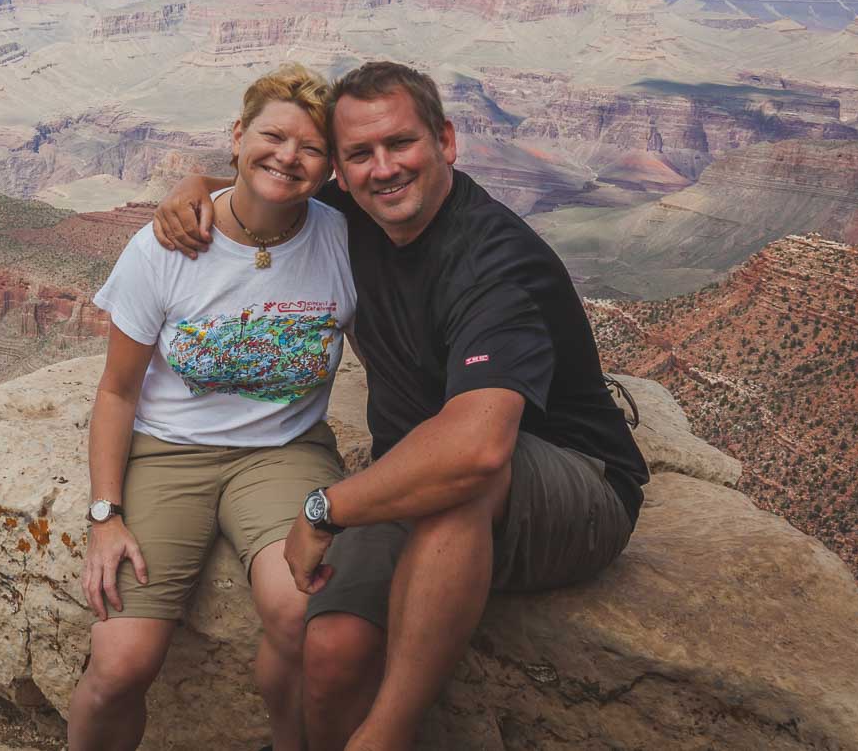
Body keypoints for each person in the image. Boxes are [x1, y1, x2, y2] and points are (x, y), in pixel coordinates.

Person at [154, 61, 649, 751]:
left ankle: (386, 734)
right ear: (342, 170)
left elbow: (474, 449)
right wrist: (190, 187)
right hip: (413, 475)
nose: (383, 168)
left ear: (445, 140)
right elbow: (267, 186)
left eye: (400, 144)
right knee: (329, 652)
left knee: (461, 479)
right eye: (359, 154)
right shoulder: (353, 214)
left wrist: (326, 508)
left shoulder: (494, 262)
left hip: (576, 481)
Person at [69, 64, 359, 751]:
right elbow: (116, 391)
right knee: (119, 663)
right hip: (168, 450)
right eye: (272, 135)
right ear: (237, 135)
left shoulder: (346, 237)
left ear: (329, 167)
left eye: (310, 147)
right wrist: (105, 514)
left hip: (285, 450)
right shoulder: (167, 245)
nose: (288, 155)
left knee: (303, 614)